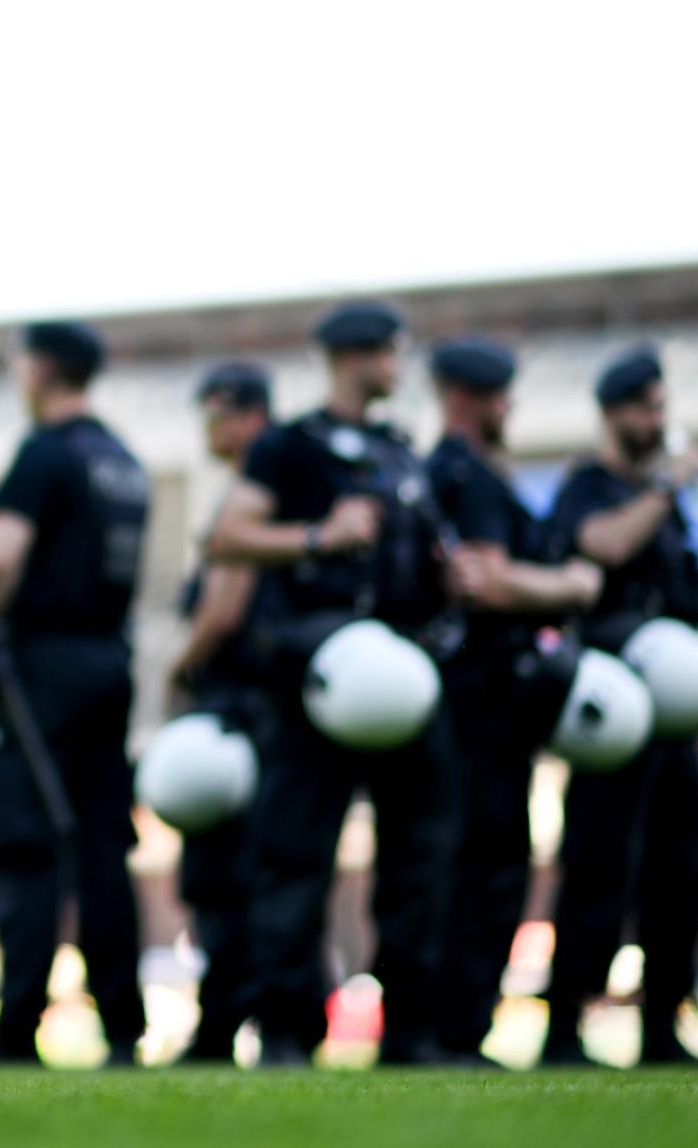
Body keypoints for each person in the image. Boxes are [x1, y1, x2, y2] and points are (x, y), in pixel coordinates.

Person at [206, 300, 459, 1066]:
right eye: (390, 353)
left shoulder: (399, 449)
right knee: (294, 855)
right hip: (315, 677)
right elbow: (227, 534)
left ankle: (410, 1030)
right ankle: (287, 1028)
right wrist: (321, 535)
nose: (397, 367)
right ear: (357, 356)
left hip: (406, 675)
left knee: (420, 857)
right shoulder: (289, 446)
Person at [0, 321, 151, 1068]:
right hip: (108, 662)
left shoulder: (45, 453)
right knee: (101, 844)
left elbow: (1, 556)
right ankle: (122, 1029)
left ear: (39, 370)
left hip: (41, 669)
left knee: (24, 838)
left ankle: (17, 1030)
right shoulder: (122, 461)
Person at [538, 345, 698, 1068]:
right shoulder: (590, 487)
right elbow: (604, 546)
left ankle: (664, 1026)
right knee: (600, 862)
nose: (657, 420)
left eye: (661, 406)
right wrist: (664, 487)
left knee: (686, 863)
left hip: (672, 722)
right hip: (612, 716)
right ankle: (565, 1026)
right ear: (613, 413)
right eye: (645, 408)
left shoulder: (663, 510)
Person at [423, 339, 599, 1063]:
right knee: (487, 862)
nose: (509, 408)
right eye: (499, 396)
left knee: (483, 860)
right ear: (466, 398)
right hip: (480, 699)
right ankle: (455, 1030)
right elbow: (488, 581)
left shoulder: (461, 472)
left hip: (484, 701)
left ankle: (456, 1029)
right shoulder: (467, 474)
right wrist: (572, 586)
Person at [165, 360, 274, 1063]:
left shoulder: (253, 494)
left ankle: (224, 1023)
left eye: (214, 415)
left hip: (236, 709)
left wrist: (177, 666)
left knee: (222, 875)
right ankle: (245, 1018)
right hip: (259, 710)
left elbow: (223, 606)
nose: (207, 430)